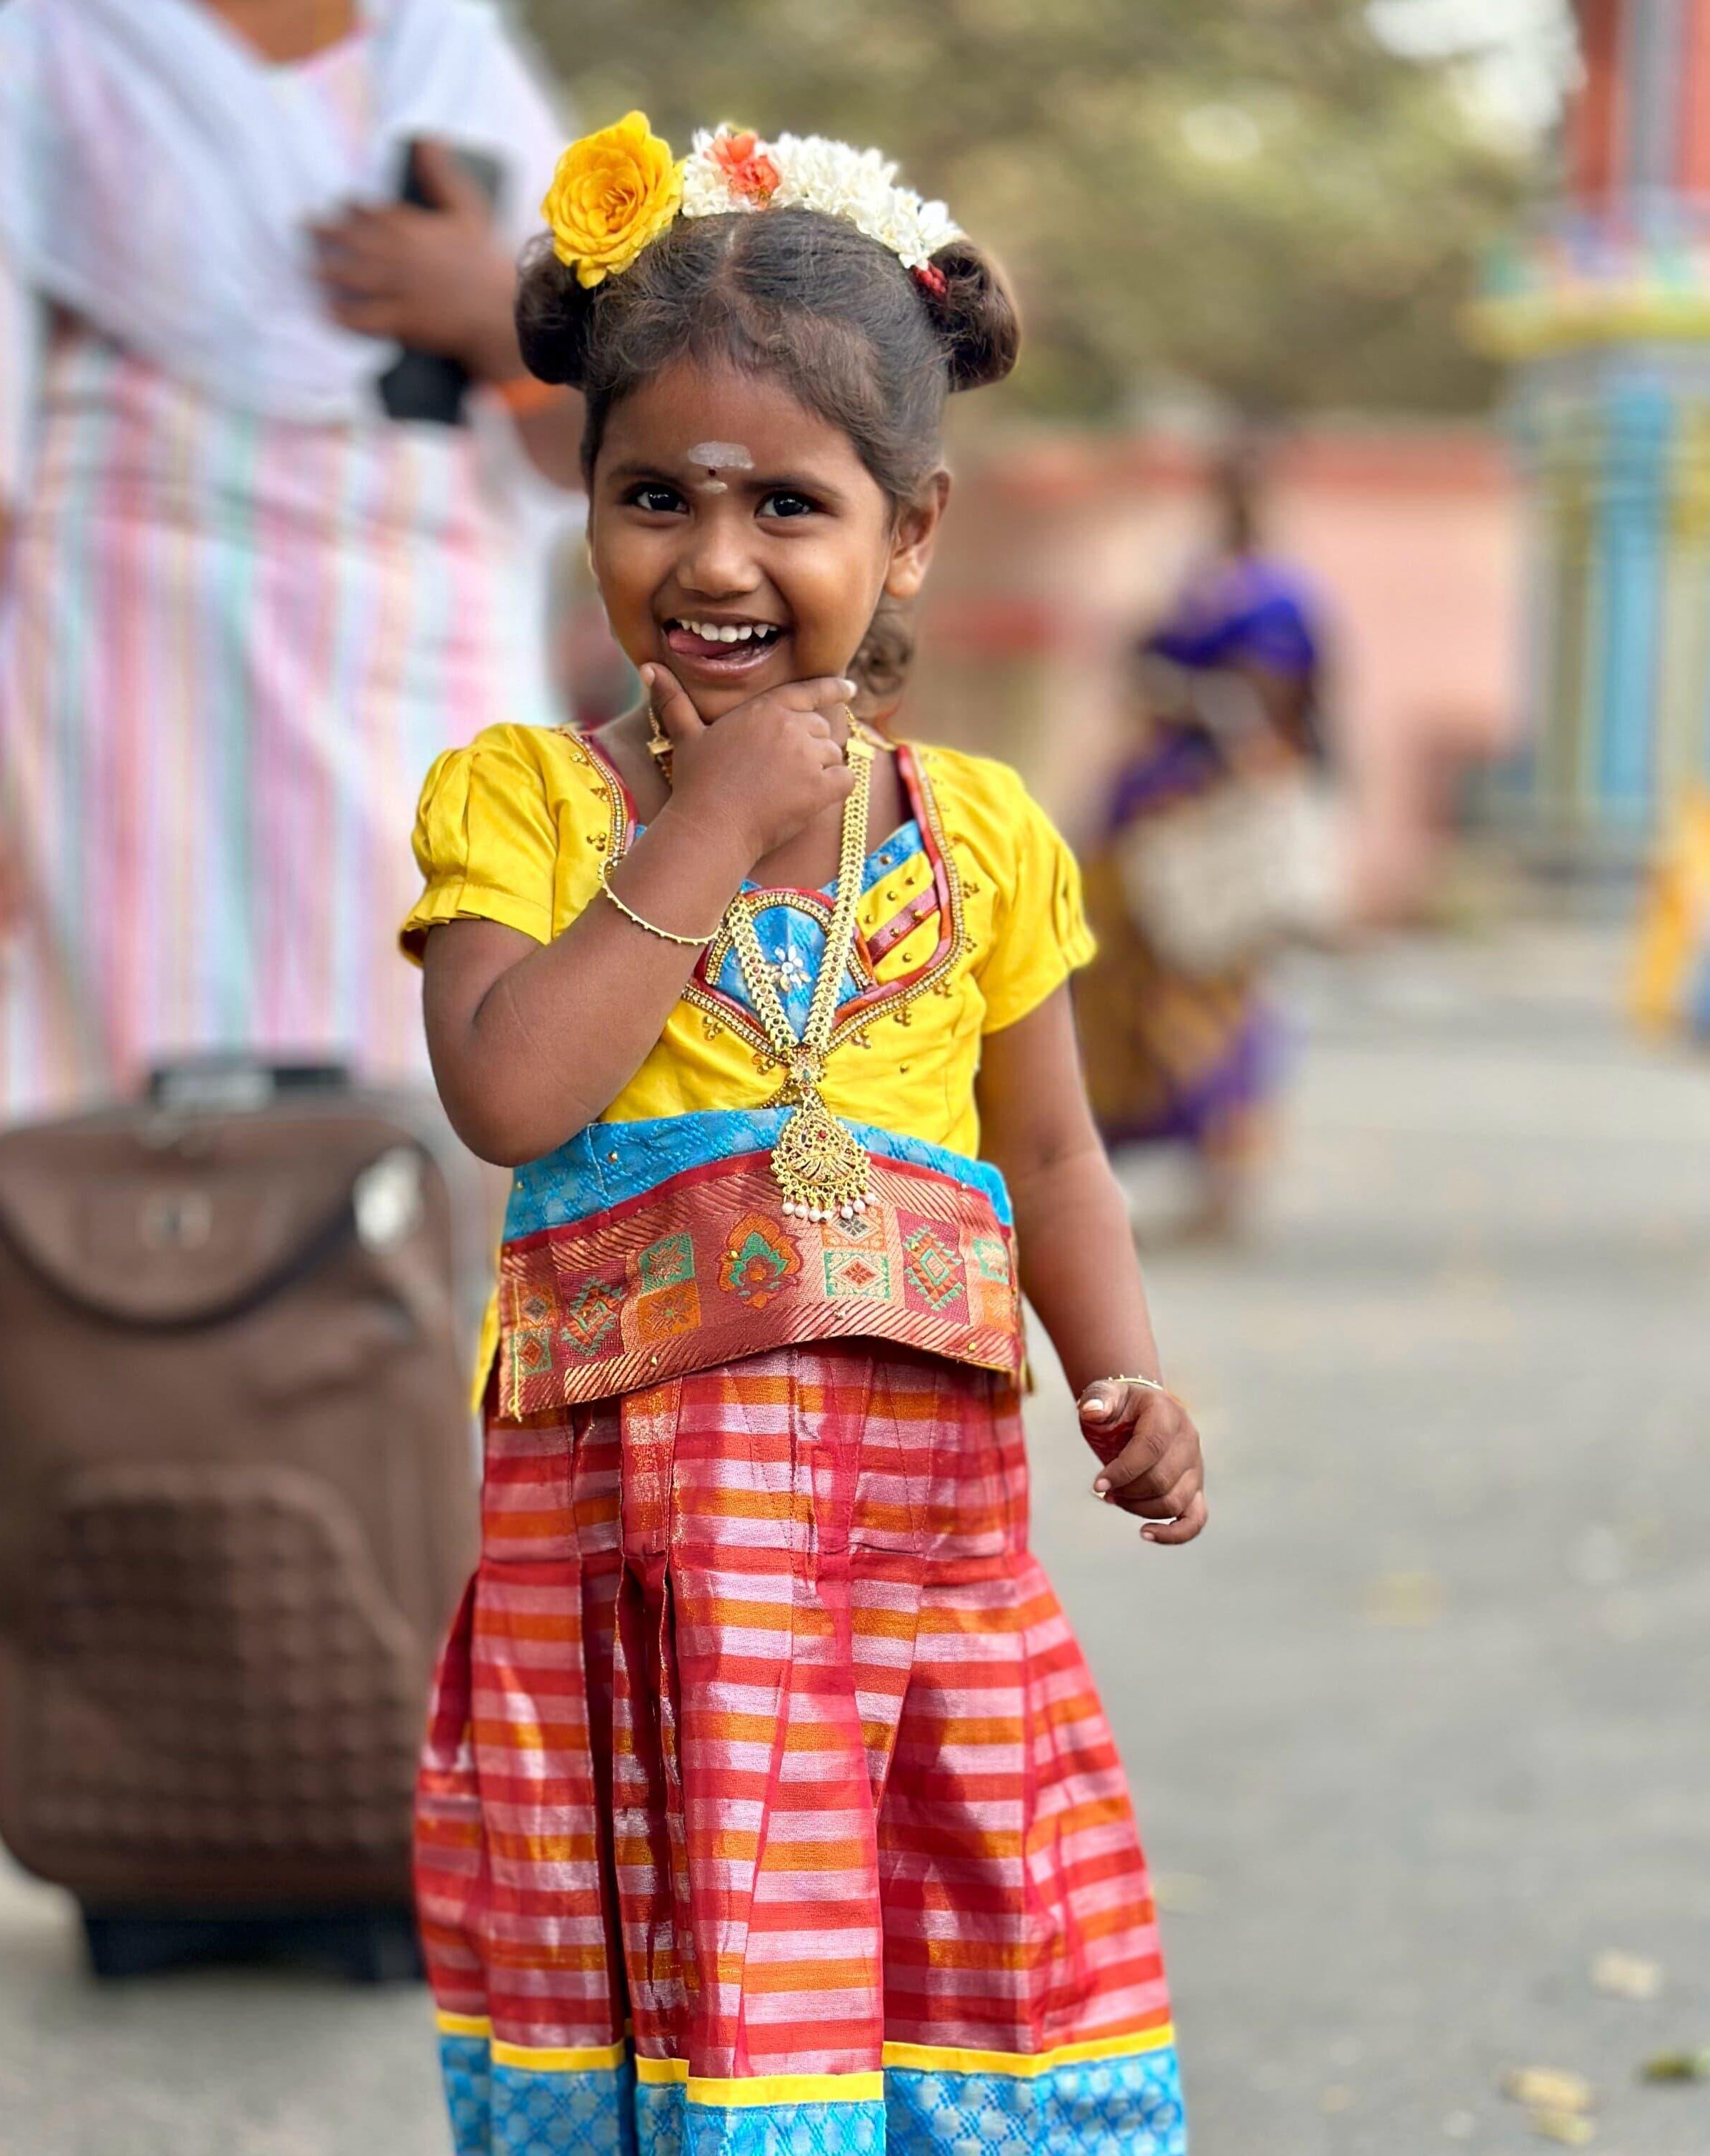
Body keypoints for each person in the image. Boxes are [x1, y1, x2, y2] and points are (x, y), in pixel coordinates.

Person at [398, 116, 1200, 2156]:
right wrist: (707, 825)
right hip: (643, 1579)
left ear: (909, 531)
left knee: (932, 1960)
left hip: (915, 1568)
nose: (719, 557)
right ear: (582, 505)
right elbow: (508, 1094)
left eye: (790, 502)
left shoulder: (985, 837)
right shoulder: (532, 805)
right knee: (698, 1982)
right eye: (653, 492)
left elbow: (1055, 1156)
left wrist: (1119, 1366)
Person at [0, 0, 576, 1114]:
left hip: (431, 686)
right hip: (129, 705)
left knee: (459, 1095)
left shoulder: (457, 61)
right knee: (140, 1156)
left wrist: (499, 318)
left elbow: (598, 450)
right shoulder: (50, 57)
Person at [1074, 448, 1329, 1240]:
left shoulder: (1261, 596)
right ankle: (1102, 1171)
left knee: (1212, 994)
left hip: (1208, 825)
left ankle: (1227, 1173)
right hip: (1154, 819)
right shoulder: (1200, 582)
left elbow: (1285, 709)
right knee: (1124, 990)